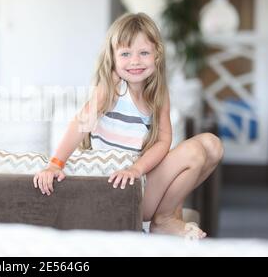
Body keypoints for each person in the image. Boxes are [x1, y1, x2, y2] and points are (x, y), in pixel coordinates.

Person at [32, 12, 224, 239]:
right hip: (119, 190)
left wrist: (137, 169)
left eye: (144, 53)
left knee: (212, 145)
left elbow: (164, 141)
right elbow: (82, 122)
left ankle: (168, 214)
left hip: (137, 179)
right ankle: (163, 221)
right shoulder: (112, 89)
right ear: (112, 58)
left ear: (157, 56)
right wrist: (55, 163)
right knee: (193, 152)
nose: (135, 61)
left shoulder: (158, 95)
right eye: (125, 53)